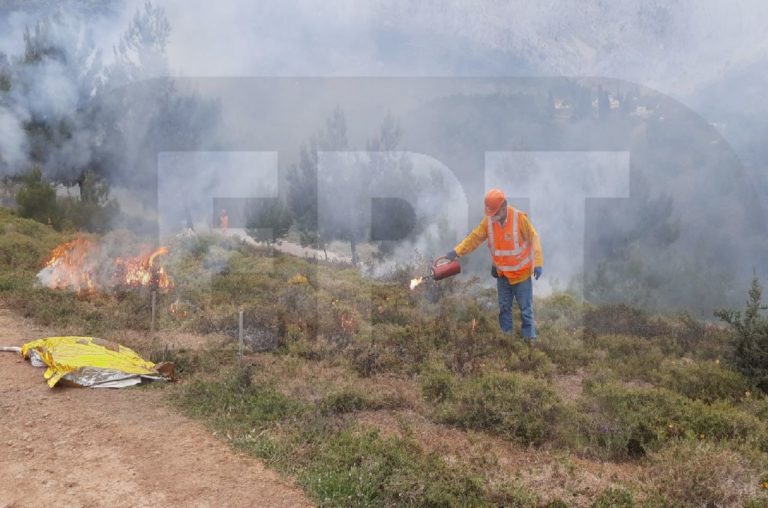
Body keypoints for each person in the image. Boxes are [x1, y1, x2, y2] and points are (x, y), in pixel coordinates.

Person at [446, 188, 543, 340]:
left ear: (504, 208)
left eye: (495, 213)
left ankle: (530, 343)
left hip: (521, 276)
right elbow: (474, 238)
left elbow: (534, 238)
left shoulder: (519, 219)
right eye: (490, 214)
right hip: (502, 275)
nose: (492, 217)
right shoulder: (489, 221)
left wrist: (538, 262)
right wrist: (457, 251)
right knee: (504, 310)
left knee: (526, 311)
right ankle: (506, 342)